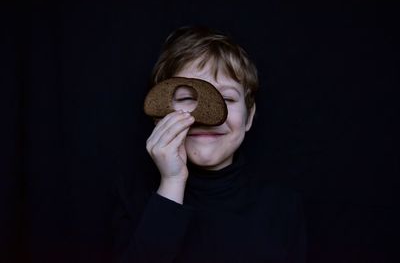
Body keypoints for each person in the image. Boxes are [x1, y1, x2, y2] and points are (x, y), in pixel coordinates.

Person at [112, 26, 306, 263]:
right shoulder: (133, 198)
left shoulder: (282, 208)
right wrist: (171, 184)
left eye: (227, 99)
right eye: (186, 98)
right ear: (160, 114)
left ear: (249, 117)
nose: (209, 117)